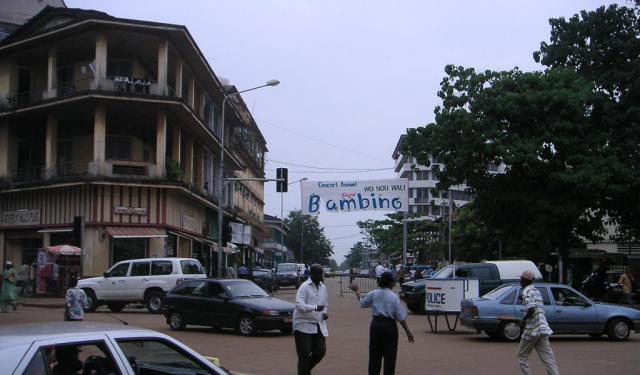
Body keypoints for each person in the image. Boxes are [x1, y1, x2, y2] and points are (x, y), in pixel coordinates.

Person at [352, 272, 414, 375]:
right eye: (393, 281)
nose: (394, 283)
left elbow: (362, 303)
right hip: (389, 326)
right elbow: (400, 317)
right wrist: (408, 331)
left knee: (374, 355)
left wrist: (357, 291)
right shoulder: (393, 297)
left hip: (376, 325)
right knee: (390, 357)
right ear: (389, 282)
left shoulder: (374, 293)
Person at [517, 270, 559, 375]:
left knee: (522, 356)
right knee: (548, 358)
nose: (520, 281)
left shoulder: (526, 291)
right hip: (543, 328)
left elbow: (531, 309)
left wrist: (523, 320)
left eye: (521, 279)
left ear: (525, 280)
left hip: (532, 329)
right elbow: (535, 304)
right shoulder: (536, 291)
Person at [293, 264, 328, 375]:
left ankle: (304, 370)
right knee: (304, 353)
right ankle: (303, 371)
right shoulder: (304, 287)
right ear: (312, 274)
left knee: (320, 351)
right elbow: (299, 304)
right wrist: (315, 308)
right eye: (319, 273)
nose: (322, 276)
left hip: (318, 323)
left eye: (322, 273)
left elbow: (325, 303)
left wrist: (325, 313)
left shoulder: (323, 287)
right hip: (303, 324)